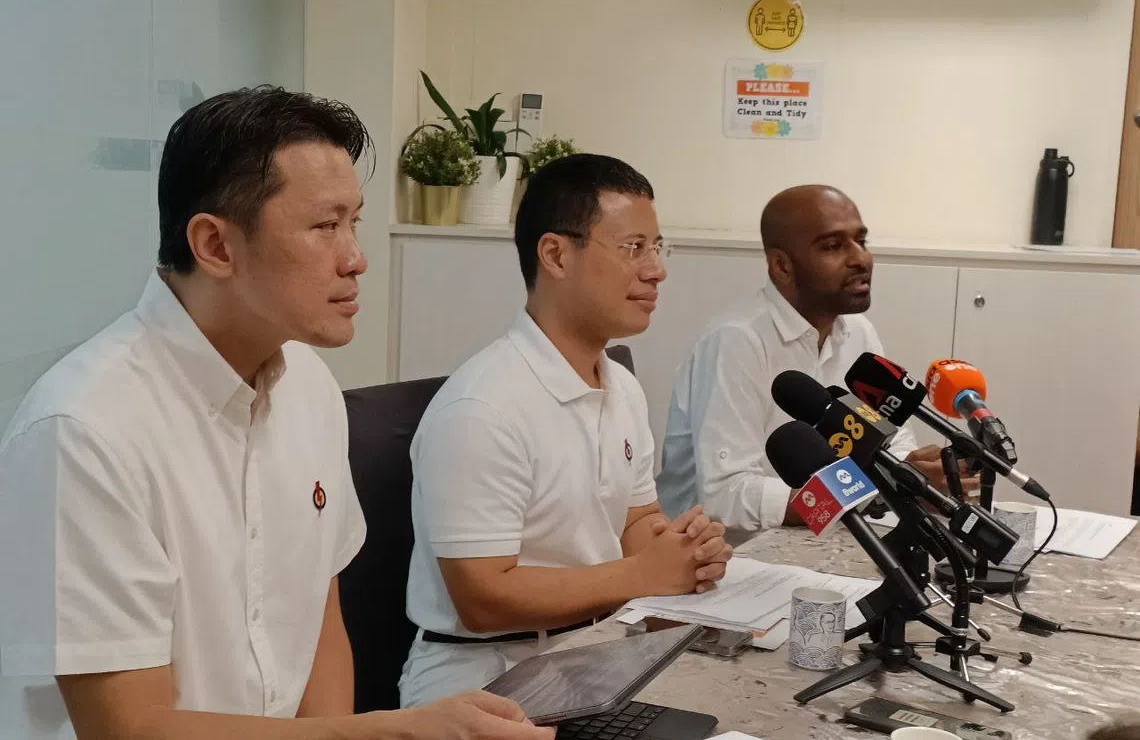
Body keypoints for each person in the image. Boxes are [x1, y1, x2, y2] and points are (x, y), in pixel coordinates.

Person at [0, 86, 549, 740]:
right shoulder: (84, 430)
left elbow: (319, 622)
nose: (356, 258)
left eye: (354, 222)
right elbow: (129, 729)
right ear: (216, 245)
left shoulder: (309, 387)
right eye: (325, 226)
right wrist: (392, 732)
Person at [400, 154, 734, 708]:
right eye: (633, 248)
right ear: (555, 254)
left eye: (658, 247)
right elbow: (483, 597)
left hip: (591, 653)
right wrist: (644, 575)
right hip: (484, 677)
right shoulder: (483, 406)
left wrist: (682, 553)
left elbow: (635, 521)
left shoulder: (621, 387)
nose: (656, 270)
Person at [656, 185, 976, 538]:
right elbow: (725, 497)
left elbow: (892, 441)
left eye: (861, 241)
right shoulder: (736, 340)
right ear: (782, 266)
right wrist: (875, 487)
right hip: (723, 554)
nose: (861, 259)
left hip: (821, 536)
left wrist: (916, 477)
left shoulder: (858, 332)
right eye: (833, 246)